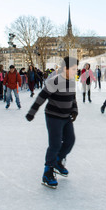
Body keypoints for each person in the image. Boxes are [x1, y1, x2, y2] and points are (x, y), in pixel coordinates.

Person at [25, 56, 79, 189]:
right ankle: (47, 173)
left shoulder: (72, 81)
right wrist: (32, 112)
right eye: (73, 69)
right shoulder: (54, 81)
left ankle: (57, 161)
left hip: (66, 117)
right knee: (55, 144)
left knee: (70, 141)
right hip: (53, 116)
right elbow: (42, 97)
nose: (75, 71)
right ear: (65, 68)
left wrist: (74, 110)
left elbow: (73, 98)